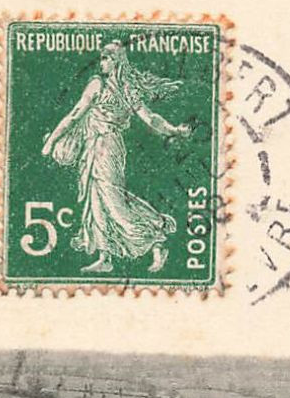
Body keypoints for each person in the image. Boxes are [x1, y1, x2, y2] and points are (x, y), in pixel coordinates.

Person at [41, 41, 193, 274]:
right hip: (94, 146)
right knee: (97, 199)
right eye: (102, 58)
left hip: (107, 146)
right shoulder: (103, 85)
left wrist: (173, 130)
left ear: (117, 61)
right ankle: (105, 257)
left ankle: (155, 239)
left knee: (113, 200)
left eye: (106, 58)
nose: (102, 63)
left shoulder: (120, 88)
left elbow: (150, 118)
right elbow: (76, 114)